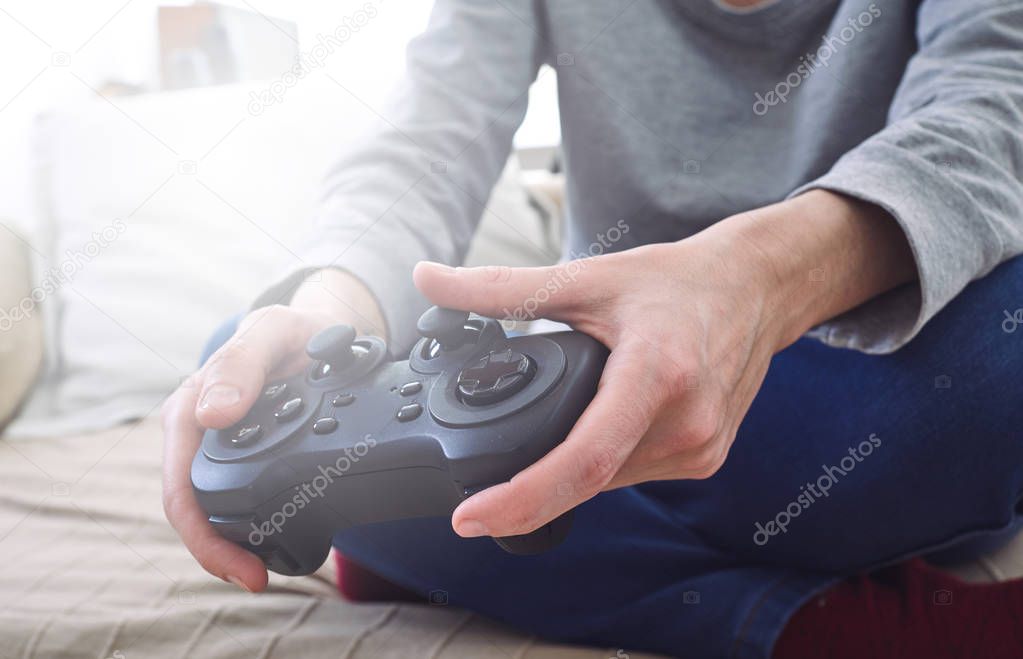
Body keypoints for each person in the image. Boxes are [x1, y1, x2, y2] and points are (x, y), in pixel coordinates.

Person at [162, 1, 1023, 657]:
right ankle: (803, 622)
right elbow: (429, 140)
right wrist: (332, 311)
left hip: (852, 389)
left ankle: (449, 538)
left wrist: (752, 285)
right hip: (603, 393)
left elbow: (989, 113)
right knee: (243, 382)